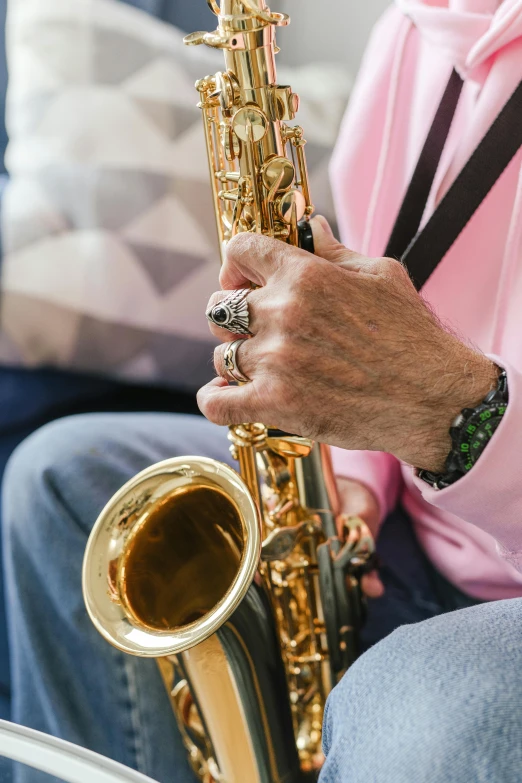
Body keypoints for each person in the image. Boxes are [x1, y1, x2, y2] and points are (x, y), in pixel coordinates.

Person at [4, 0, 522, 782]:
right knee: (60, 482)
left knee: (416, 704)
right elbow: (395, 292)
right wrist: (355, 482)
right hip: (420, 519)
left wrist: (453, 410)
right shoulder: (416, 30)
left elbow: (432, 372)